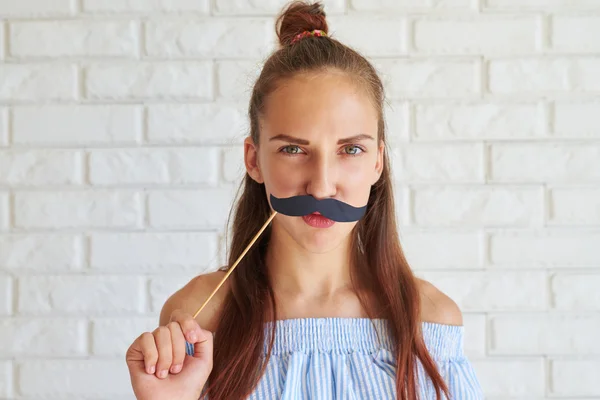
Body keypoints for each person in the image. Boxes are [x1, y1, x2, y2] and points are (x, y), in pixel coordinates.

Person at [125, 1, 485, 399]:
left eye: (350, 150)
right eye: (294, 150)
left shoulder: (430, 321)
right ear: (254, 160)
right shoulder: (199, 317)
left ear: (378, 163)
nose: (321, 187)